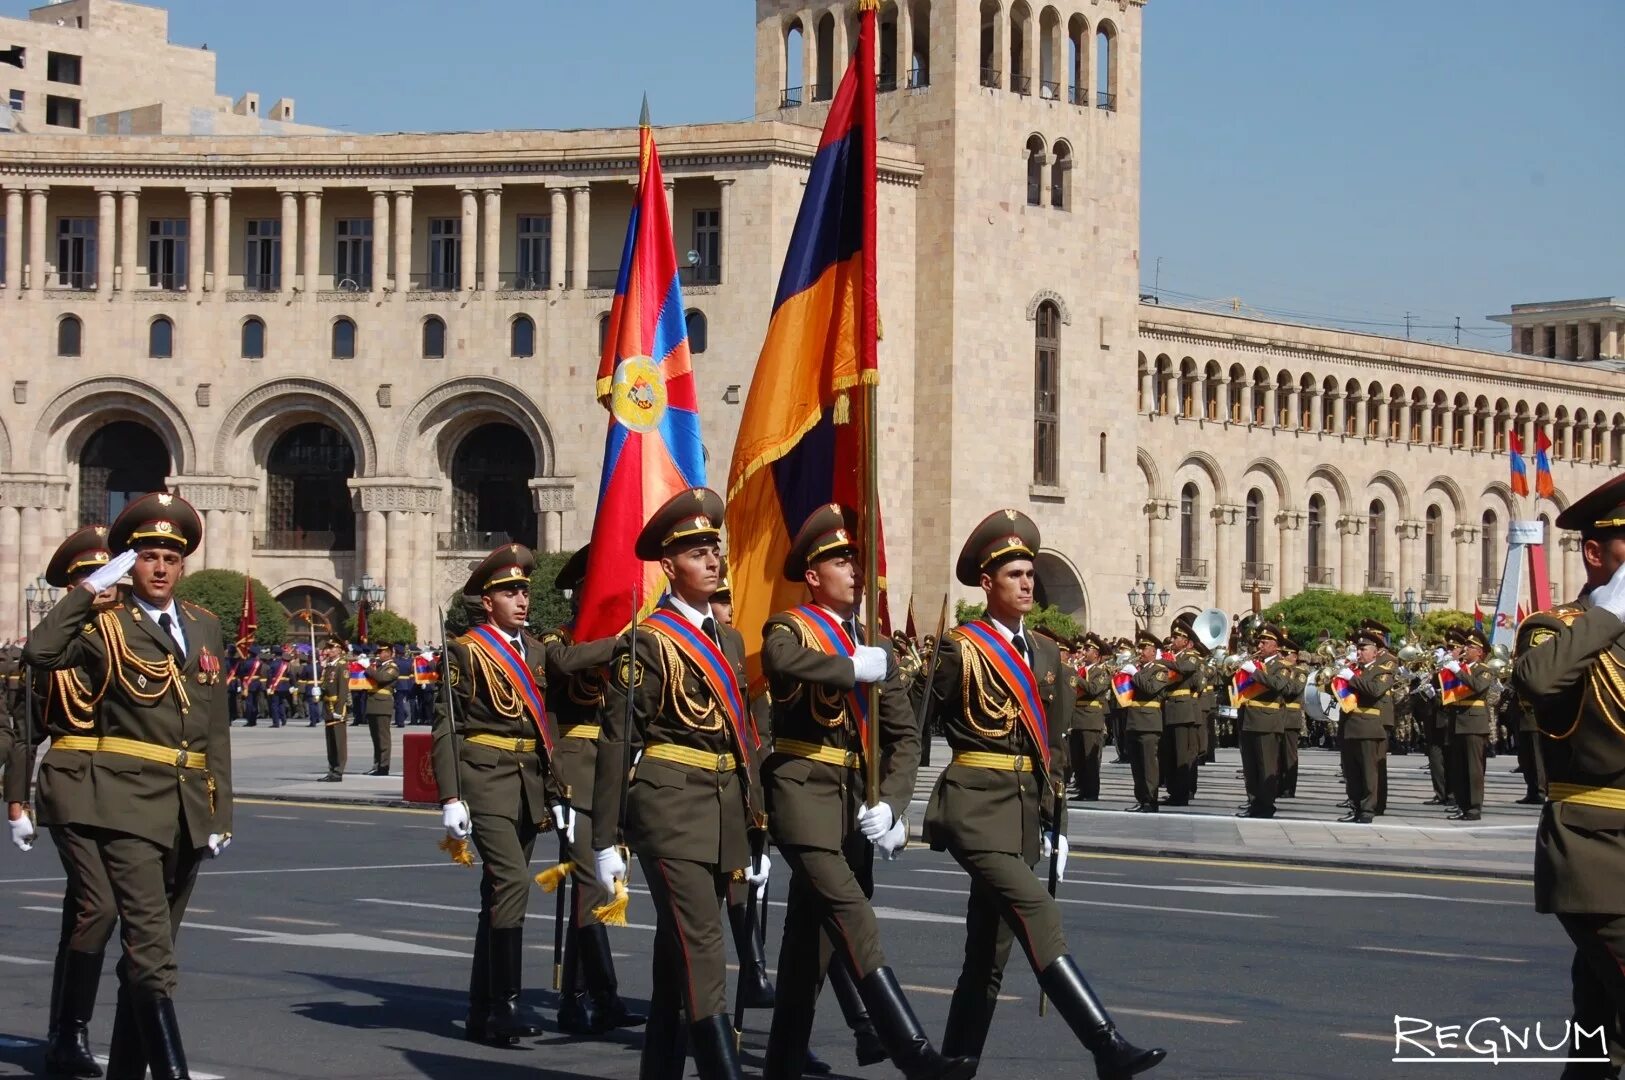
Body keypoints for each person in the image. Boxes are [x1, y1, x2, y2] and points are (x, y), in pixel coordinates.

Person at [923, 510, 1163, 1079]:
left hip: (1024, 814)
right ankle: (1106, 1046)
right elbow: (913, 721)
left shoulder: (1050, 656)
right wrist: (884, 794)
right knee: (1038, 913)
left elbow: (1052, 750)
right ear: (988, 585)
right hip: (973, 807)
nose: (1027, 583)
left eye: (1030, 573)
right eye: (1014, 574)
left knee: (988, 956)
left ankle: (957, 1065)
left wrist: (1056, 823)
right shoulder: (960, 648)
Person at [24, 491, 233, 1080]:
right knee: (152, 950)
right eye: (147, 555)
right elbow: (41, 653)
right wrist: (91, 592)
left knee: (152, 948)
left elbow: (214, 729)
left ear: (184, 563)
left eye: (171, 555)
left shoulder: (205, 625)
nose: (160, 566)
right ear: (129, 563)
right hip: (125, 805)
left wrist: (221, 816)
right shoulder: (104, 623)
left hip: (188, 806)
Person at [760, 504, 973, 1080]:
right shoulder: (791, 627)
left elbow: (906, 737)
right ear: (812, 575)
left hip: (854, 802)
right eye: (838, 560)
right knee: (853, 915)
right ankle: (910, 1051)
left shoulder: (876, 647)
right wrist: (852, 667)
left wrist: (894, 805)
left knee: (808, 948)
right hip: (803, 794)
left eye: (855, 558)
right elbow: (782, 662)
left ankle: (780, 1064)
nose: (853, 570)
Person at [593, 489, 770, 1080]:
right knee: (703, 946)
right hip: (669, 806)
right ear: (669, 567)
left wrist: (756, 821)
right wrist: (604, 837)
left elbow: (743, 736)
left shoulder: (730, 639)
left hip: (721, 811)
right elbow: (618, 737)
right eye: (697, 552)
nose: (712, 560)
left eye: (713, 548)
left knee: (677, 957)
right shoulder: (647, 638)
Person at [432, 544, 573, 1048]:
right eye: (510, 591)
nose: (521, 599)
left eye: (524, 591)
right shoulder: (465, 650)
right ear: (486, 600)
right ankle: (508, 1002)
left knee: (496, 894)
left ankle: (481, 1010)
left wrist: (557, 791)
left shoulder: (534, 649)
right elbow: (447, 726)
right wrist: (450, 796)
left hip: (528, 783)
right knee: (513, 882)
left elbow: (544, 727)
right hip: (484, 779)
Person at [1513, 474, 1625, 1074]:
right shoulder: (1556, 628)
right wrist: (1609, 614)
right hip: (1598, 851)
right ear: (1594, 552)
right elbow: (1538, 682)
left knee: (1596, 1032)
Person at [16, 527, 122, 1077]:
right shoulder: (59, 644)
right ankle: (73, 1032)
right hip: (72, 784)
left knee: (83, 913)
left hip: (126, 789)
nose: (105, 588)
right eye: (90, 579)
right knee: (98, 907)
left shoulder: (130, 638)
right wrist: (17, 803)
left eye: (111, 576)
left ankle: (64, 1030)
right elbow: (24, 731)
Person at [539, 545, 644, 1037]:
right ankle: (581, 997)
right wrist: (621, 644)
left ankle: (598, 996)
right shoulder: (556, 637)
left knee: (605, 885)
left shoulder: (620, 643)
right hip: (574, 773)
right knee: (588, 885)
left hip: (613, 773)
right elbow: (562, 663)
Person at [1337, 621, 1395, 824]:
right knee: (1351, 772)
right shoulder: (1354, 669)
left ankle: (1368, 810)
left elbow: (1374, 691)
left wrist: (1351, 677)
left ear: (1376, 651)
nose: (1359, 653)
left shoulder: (1382, 670)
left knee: (1369, 772)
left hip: (1370, 727)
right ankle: (1355, 806)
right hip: (1349, 725)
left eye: (1363, 649)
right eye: (1357, 649)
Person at [1235, 624, 1294, 819]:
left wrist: (1255, 671)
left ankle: (1266, 805)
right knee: (1250, 767)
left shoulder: (1282, 666)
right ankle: (1254, 803)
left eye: (1265, 641)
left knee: (1266, 766)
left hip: (1267, 721)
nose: (1260, 644)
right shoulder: (1255, 662)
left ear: (1275, 646)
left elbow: (1278, 685)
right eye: (1260, 641)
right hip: (1248, 719)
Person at [1441, 627, 1496, 822]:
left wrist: (1458, 671)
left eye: (1471, 647)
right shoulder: (1460, 667)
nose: (1466, 649)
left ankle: (1474, 807)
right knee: (1459, 768)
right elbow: (1440, 685)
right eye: (1466, 645)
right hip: (1457, 722)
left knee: (1474, 769)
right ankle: (1462, 805)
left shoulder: (1485, 670)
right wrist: (1447, 666)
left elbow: (1478, 687)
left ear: (1480, 652)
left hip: (1474, 723)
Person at [1157, 617, 1205, 807]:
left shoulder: (1191, 656)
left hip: (1183, 711)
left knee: (1182, 754)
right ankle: (1173, 791)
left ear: (1186, 641)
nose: (1173, 640)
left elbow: (1186, 669)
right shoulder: (1174, 658)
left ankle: (1182, 793)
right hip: (1170, 709)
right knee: (1170, 753)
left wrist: (1163, 662)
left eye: (1177, 637)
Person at [1122, 629, 1168, 813]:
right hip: (1134, 721)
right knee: (1137, 765)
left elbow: (1150, 689)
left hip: (1149, 723)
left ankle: (1151, 800)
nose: (1140, 652)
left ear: (1153, 651)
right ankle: (1141, 798)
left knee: (1149, 764)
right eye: (1139, 648)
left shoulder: (1160, 671)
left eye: (1144, 648)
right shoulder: (1140, 670)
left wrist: (1134, 673)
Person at [1069, 634, 1110, 801]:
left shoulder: (1102, 672)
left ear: (1097, 655)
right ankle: (1082, 789)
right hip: (1077, 718)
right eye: (1084, 649)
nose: (1084, 652)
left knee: (1090, 759)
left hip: (1091, 719)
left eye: (1088, 649)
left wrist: (1077, 678)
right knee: (1077, 758)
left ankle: (1092, 792)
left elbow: (1093, 689)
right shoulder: (1081, 670)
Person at [360, 643, 399, 776]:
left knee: (383, 739)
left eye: (382, 652)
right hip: (372, 704)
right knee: (375, 738)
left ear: (389, 653)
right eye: (379, 652)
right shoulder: (378, 666)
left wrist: (368, 668)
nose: (379, 654)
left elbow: (382, 678)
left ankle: (384, 766)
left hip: (383, 705)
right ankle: (376, 765)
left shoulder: (392, 667)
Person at [1277, 642, 1307, 799]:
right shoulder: (1280, 670)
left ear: (1294, 657)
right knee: (1276, 754)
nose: (1281, 657)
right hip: (1277, 715)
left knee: (1289, 754)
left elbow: (1293, 690)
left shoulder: (1300, 672)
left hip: (1290, 715)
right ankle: (1277, 785)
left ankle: (1289, 787)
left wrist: (1282, 677)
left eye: (1285, 654)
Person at [317, 638, 349, 782]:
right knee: (330, 741)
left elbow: (343, 690)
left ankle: (338, 771)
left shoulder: (342, 666)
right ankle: (332, 768)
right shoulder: (329, 666)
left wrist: (339, 709)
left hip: (336, 707)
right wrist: (319, 691)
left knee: (339, 741)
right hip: (327, 707)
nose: (328, 651)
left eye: (331, 648)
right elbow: (326, 685)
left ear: (339, 650)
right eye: (328, 648)